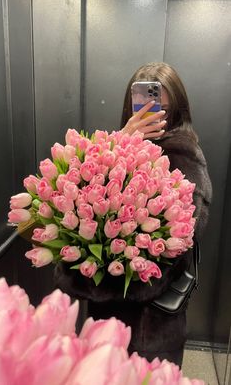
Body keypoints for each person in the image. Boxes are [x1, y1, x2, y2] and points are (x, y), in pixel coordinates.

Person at [54, 62, 212, 367]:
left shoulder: (183, 156)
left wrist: (91, 280)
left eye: (162, 109)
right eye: (142, 107)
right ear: (131, 108)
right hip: (110, 317)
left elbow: (171, 251)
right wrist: (119, 142)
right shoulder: (118, 146)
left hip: (148, 324)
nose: (152, 116)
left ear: (178, 110)